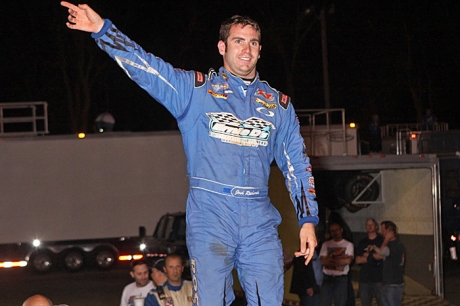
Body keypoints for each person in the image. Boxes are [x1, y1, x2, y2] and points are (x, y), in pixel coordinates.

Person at [60, 3, 319, 305]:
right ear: (222, 46)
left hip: (259, 218)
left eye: (253, 43)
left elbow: (297, 165)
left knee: (270, 299)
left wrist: (307, 220)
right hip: (210, 214)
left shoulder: (278, 105)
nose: (246, 49)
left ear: (260, 50)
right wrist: (104, 31)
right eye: (238, 41)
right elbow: (149, 69)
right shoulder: (196, 91)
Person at [370, 221, 405, 306]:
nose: (381, 232)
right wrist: (374, 247)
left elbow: (383, 252)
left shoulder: (396, 245)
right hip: (388, 282)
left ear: (389, 231)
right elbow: (384, 252)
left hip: (393, 284)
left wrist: (386, 239)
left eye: (383, 230)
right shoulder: (392, 245)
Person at [319, 222, 354, 306]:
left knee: (341, 302)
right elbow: (323, 261)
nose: (335, 232)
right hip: (327, 278)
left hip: (341, 279)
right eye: (332, 231)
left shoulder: (348, 245)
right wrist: (341, 259)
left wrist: (329, 259)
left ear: (341, 230)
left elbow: (347, 261)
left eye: (336, 230)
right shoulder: (325, 244)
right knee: (324, 303)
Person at [355, 218, 384, 306]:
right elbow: (357, 260)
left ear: (376, 226)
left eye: (371, 224)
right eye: (368, 225)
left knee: (382, 302)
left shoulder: (381, 241)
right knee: (365, 303)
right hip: (365, 278)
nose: (370, 227)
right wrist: (374, 257)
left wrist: (367, 257)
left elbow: (383, 256)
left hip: (379, 278)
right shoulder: (362, 242)